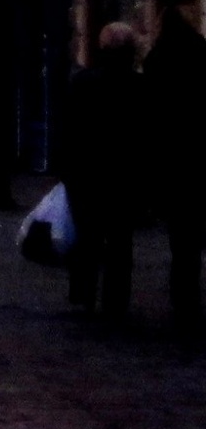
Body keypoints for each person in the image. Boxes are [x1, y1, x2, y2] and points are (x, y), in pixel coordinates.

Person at [61, 21, 146, 321]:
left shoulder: (83, 82)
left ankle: (84, 293)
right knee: (121, 241)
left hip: (86, 173)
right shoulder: (138, 86)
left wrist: (66, 168)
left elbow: (68, 128)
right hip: (123, 174)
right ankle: (115, 299)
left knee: (88, 235)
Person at [144, 5, 206, 331]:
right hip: (197, 156)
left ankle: (182, 294)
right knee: (193, 232)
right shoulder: (201, 53)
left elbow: (151, 114)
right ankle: (189, 292)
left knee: (179, 233)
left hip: (169, 159)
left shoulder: (156, 59)